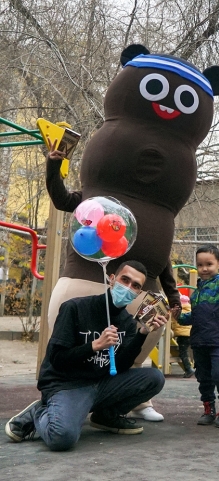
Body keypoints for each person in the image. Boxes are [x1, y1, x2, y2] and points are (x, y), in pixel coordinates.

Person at [46, 144, 181, 422]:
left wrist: (174, 296)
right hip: (93, 281)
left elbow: (162, 258)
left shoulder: (147, 210)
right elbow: (62, 199)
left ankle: (132, 402)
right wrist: (53, 167)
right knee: (83, 346)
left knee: (132, 349)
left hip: (139, 289)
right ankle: (61, 399)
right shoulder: (98, 200)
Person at [4, 261, 167, 451]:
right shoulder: (75, 308)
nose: (128, 288)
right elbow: (57, 359)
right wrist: (95, 346)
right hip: (67, 384)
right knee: (62, 438)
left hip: (100, 383)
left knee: (154, 378)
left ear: (139, 293)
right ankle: (40, 411)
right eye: (125, 280)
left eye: (135, 286)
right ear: (112, 279)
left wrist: (142, 333)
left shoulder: (128, 323)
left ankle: (106, 416)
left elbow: (121, 366)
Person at [179, 245, 219, 428]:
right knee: (204, 377)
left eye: (209, 264)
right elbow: (193, 317)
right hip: (199, 342)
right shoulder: (197, 292)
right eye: (200, 265)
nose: (204, 268)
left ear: (217, 264)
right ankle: (208, 407)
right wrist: (179, 317)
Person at [171, 294, 196, 378]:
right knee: (192, 351)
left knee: (183, 352)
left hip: (182, 335)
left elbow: (174, 322)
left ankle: (188, 369)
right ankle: (196, 367)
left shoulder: (178, 311)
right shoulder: (190, 309)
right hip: (191, 334)